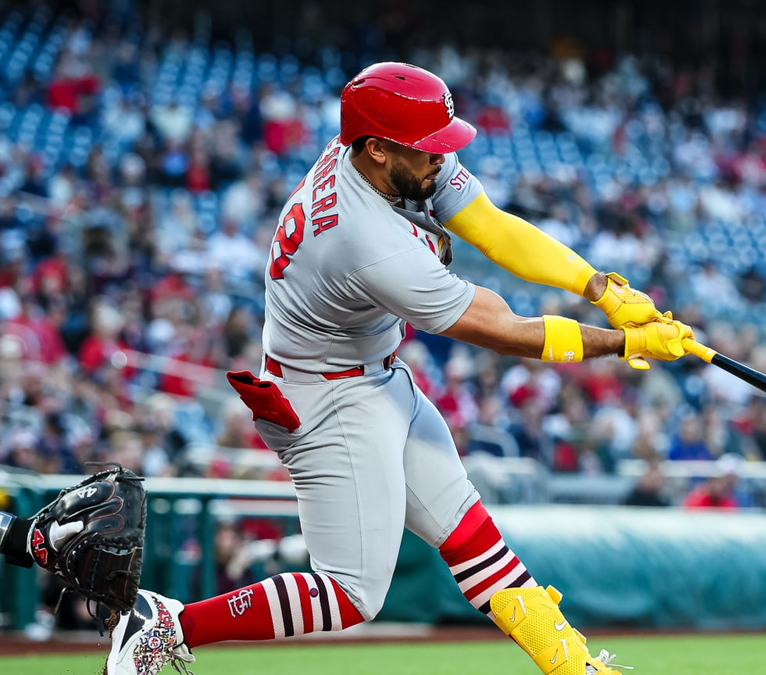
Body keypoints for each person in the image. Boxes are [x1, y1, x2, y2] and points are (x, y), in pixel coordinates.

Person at [104, 62, 691, 675]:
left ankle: (576, 670)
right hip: (326, 400)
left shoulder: (381, 157)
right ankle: (167, 625)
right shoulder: (364, 238)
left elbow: (491, 227)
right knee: (352, 593)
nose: (442, 159)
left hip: (373, 375)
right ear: (379, 149)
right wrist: (624, 344)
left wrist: (600, 287)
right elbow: (502, 329)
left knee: (473, 537)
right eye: (428, 149)